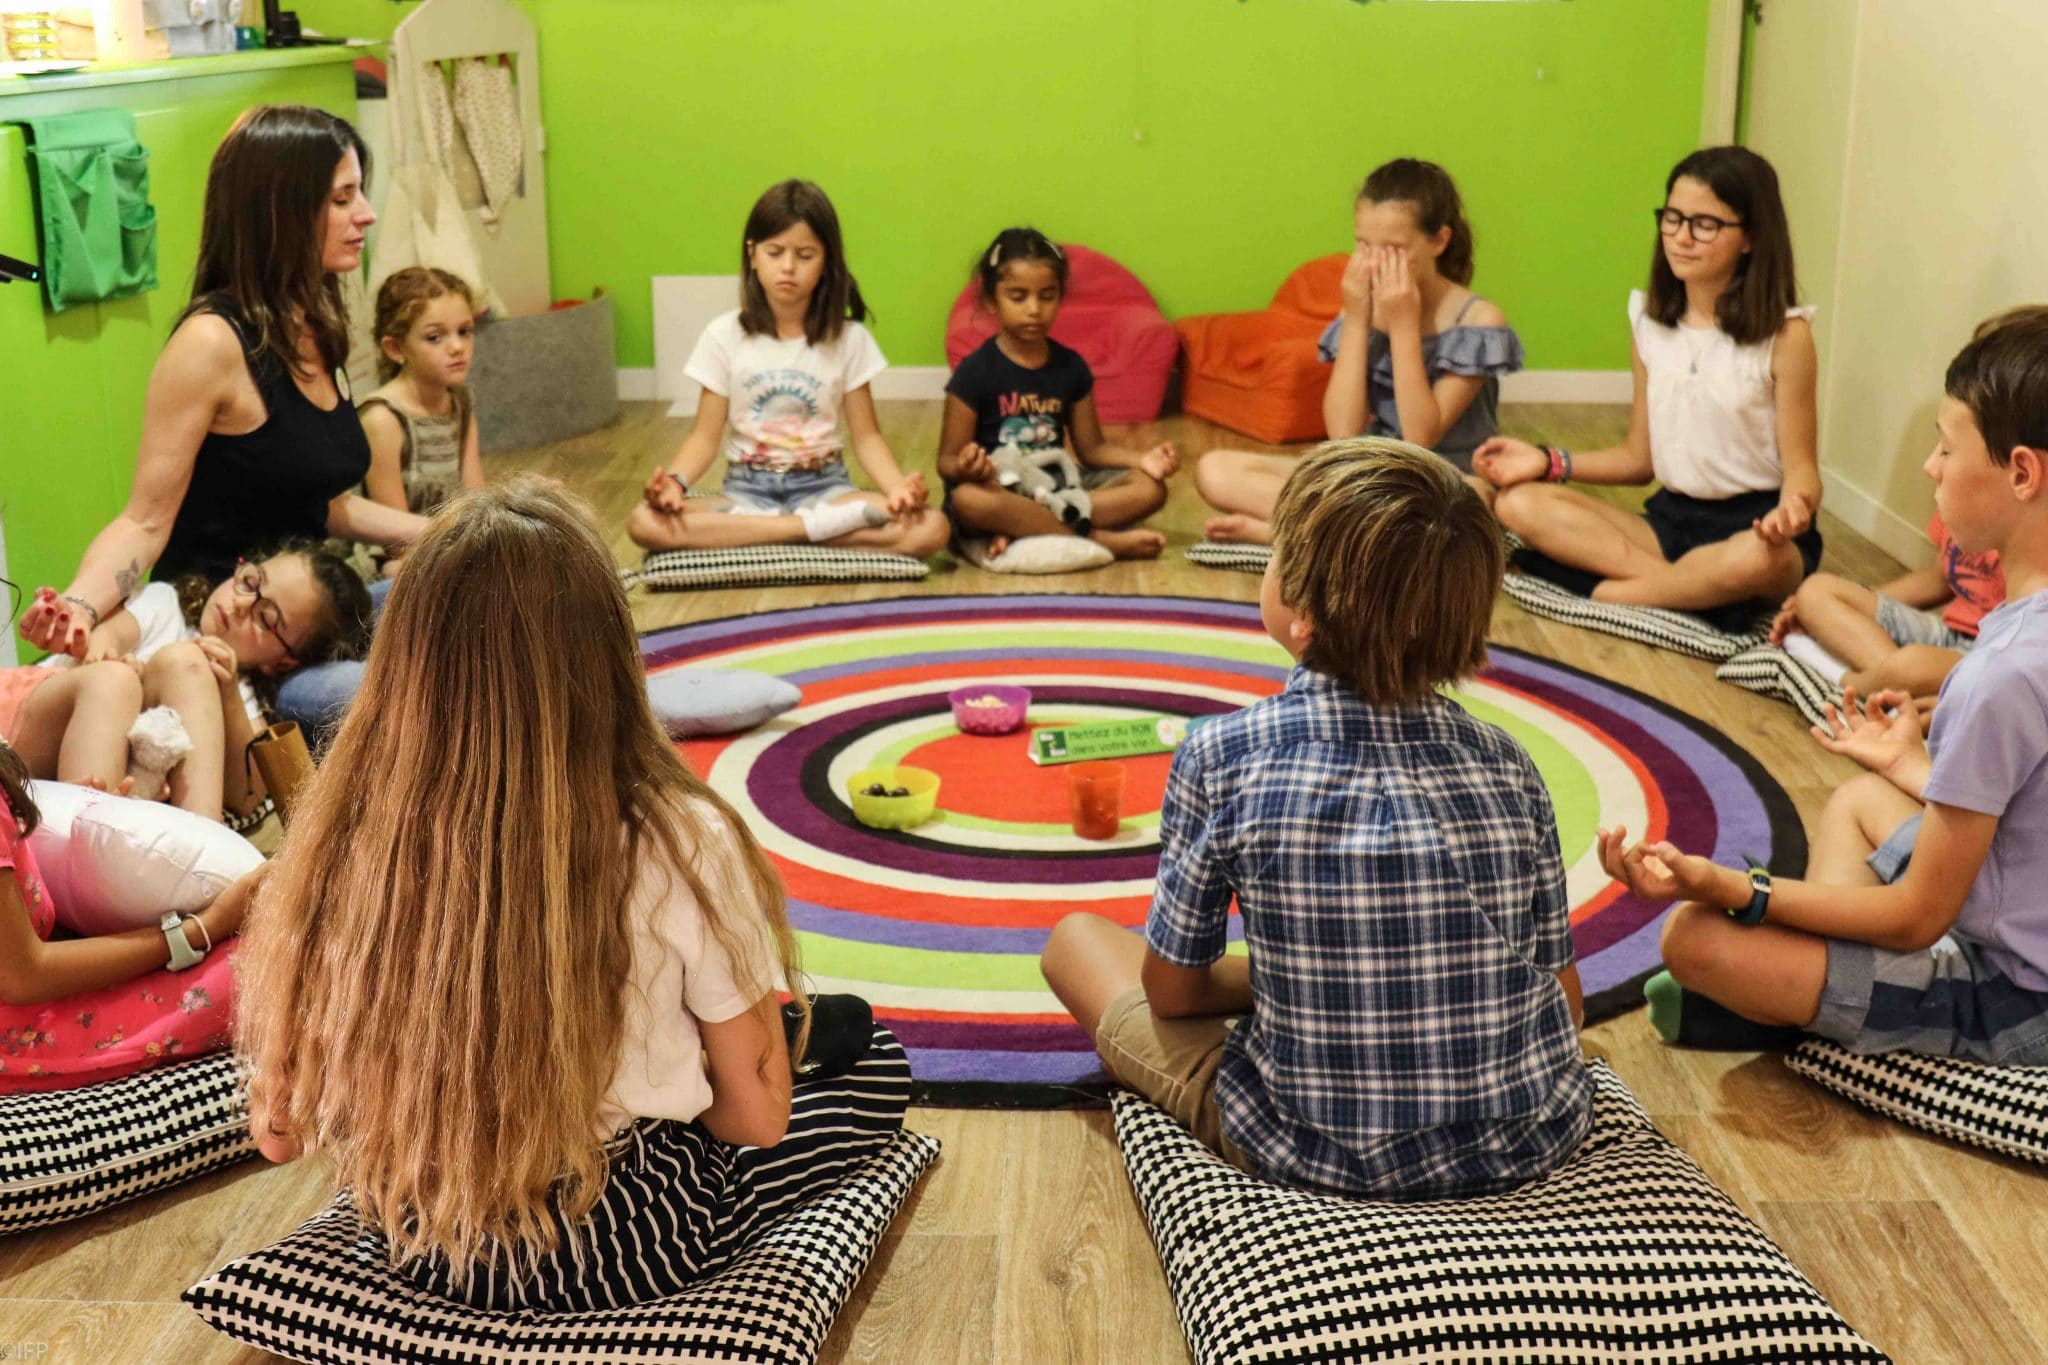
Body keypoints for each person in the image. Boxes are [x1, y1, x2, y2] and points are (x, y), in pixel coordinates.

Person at [236, 478, 910, 1311]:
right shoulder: (673, 833)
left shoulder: (343, 827)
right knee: (874, 1061)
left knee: (799, 1031)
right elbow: (756, 1122)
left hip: (420, 1235)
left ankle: (783, 1034)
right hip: (615, 1241)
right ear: (604, 656)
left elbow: (278, 1135)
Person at [1041, 438, 1591, 1197]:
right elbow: (1561, 999)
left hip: (1315, 1151)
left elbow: (1171, 992)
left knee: (1075, 943)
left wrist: (1295, 973)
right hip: (1531, 1134)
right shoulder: (1510, 763)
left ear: (1299, 615)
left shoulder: (1223, 756)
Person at [1608, 308, 2048, 1063]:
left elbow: (1914, 916)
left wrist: (1736, 887)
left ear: (2020, 472)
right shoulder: (2015, 649)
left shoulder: (2000, 673)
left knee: (1693, 938)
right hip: (2013, 905)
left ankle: (1819, 1008)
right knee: (1858, 799)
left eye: (1946, 447)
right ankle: (1822, 986)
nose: (1931, 468)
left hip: (2017, 997)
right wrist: (1914, 766)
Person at [16, 105, 426, 663]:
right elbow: (144, 521)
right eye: (342, 199)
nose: (367, 215)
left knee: (466, 605)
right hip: (230, 633)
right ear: (281, 211)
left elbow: (326, 504)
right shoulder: (211, 343)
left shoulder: (317, 320)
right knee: (367, 689)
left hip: (303, 614)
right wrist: (79, 608)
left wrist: (446, 530)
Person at [1476, 147, 1820, 628]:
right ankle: (1690, 593)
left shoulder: (1787, 336)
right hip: (1670, 526)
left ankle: (1613, 594)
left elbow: (1803, 472)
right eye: (1673, 218)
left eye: (1705, 224)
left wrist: (1794, 509)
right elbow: (1639, 461)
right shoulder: (1649, 323)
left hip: (1755, 532)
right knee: (1517, 502)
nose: (1681, 236)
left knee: (1753, 562)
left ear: (1751, 237)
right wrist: (1547, 461)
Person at [1199, 160, 1522, 545]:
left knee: (1460, 517)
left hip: (1445, 480)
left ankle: (1298, 534)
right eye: (1364, 245)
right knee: (1214, 470)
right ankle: (1334, 534)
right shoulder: (1363, 306)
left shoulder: (1479, 319)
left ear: (1439, 241)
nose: (1374, 262)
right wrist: (1355, 320)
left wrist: (1404, 326)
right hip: (1370, 473)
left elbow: (1420, 438)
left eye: (1394, 249)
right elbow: (1342, 434)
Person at [627, 180, 947, 558]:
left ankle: (765, 535)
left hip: (826, 488)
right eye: (774, 252)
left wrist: (896, 489)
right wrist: (675, 485)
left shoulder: (849, 338)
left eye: (805, 255)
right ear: (753, 254)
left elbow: (867, 437)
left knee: (931, 528)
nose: (788, 267)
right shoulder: (723, 335)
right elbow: (704, 437)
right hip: (746, 492)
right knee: (644, 521)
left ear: (827, 258)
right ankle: (808, 533)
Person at [1, 547, 369, 820]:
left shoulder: (239, 692)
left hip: (98, 783)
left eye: (266, 619)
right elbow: (101, 645)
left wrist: (227, 696)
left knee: (188, 663)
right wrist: (121, 663)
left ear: (281, 662)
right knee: (119, 680)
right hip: (31, 719)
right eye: (251, 581)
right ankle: (95, 835)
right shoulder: (164, 603)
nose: (241, 604)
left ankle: (198, 837)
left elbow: (248, 797)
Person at [0, 737, 254, 1090]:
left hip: (28, 974)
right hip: (17, 1026)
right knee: (264, 966)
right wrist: (198, 930)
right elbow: (22, 976)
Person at [937, 228, 1176, 560]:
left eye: (1047, 296)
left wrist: (1143, 460)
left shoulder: (1071, 367)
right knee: (968, 501)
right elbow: (946, 461)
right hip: (1002, 489)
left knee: (1150, 488)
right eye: (1018, 297)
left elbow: (1092, 450)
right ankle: (1094, 538)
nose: (1034, 309)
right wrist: (967, 467)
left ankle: (1025, 527)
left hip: (1055, 487)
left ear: (1060, 296)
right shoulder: (974, 372)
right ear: (992, 301)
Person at [358, 266, 487, 574]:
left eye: (465, 331)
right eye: (435, 337)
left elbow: (475, 496)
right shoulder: (383, 418)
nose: (457, 347)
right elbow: (395, 541)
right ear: (395, 348)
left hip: (451, 543)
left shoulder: (460, 402)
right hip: (402, 555)